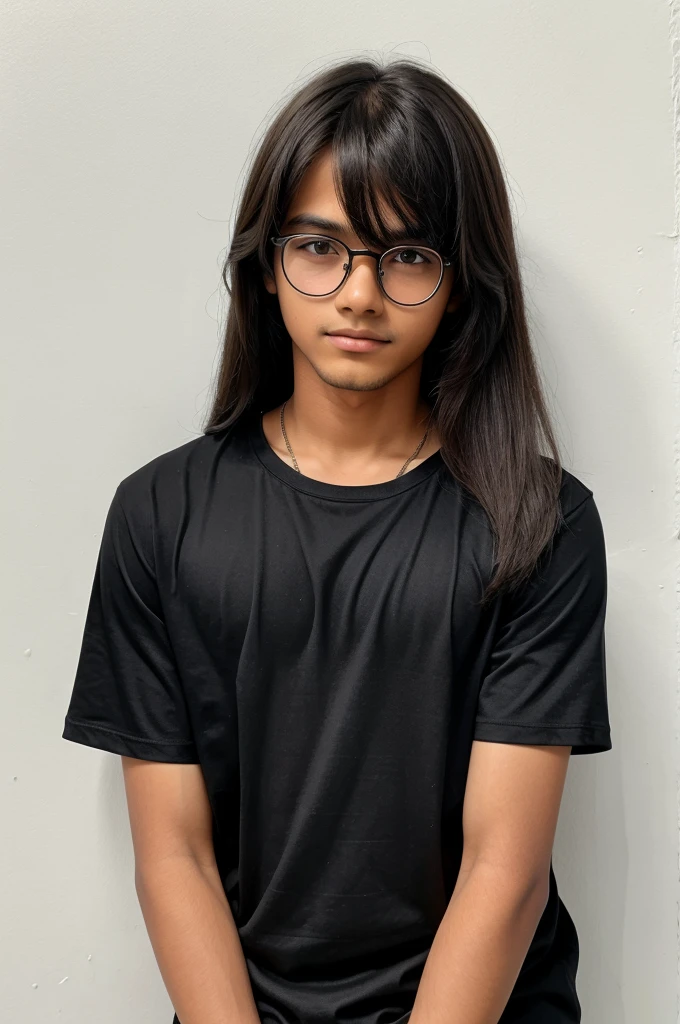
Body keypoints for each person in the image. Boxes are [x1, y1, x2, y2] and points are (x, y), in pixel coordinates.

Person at [61, 55, 612, 1024]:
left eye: (405, 255)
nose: (358, 293)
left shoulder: (540, 525)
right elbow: (173, 854)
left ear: (458, 283)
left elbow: (503, 869)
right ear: (266, 263)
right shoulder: (158, 516)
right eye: (321, 245)